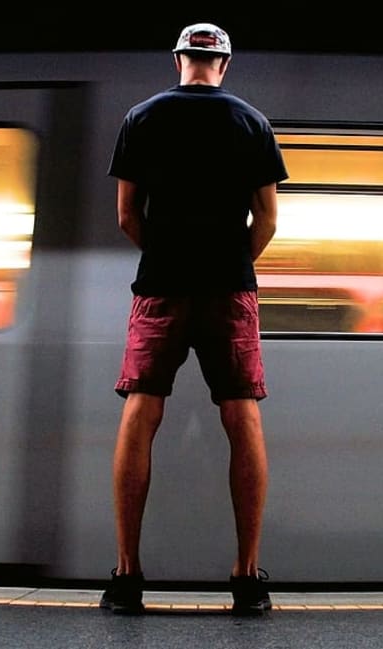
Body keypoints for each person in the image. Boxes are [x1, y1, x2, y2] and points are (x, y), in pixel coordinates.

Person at [100, 22, 288, 616]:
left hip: (160, 286)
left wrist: (167, 256)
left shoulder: (141, 117)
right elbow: (268, 220)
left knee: (141, 409)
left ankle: (128, 577)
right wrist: (229, 262)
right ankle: (246, 579)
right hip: (229, 288)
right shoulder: (253, 122)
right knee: (242, 414)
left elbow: (127, 215)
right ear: (224, 65)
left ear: (178, 59)